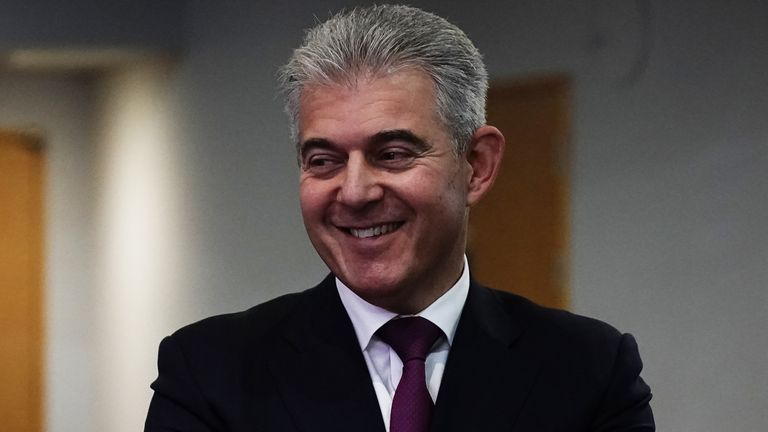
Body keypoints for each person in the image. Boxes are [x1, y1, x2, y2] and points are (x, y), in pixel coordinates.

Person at [145, 5, 654, 432]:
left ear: (477, 165)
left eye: (392, 153)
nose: (355, 191)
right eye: (323, 160)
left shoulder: (589, 371)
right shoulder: (210, 373)